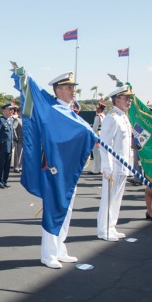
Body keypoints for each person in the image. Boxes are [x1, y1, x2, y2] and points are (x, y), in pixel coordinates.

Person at [39, 72, 81, 267]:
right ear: (58, 90)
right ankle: (48, 253)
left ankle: (59, 248)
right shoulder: (53, 111)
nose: (73, 90)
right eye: (69, 87)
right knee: (53, 210)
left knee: (66, 209)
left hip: (69, 169)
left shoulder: (70, 111)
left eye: (73, 87)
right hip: (55, 169)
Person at [97, 85, 134, 241]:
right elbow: (105, 145)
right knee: (108, 199)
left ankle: (111, 227)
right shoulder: (111, 117)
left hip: (123, 166)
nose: (129, 101)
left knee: (116, 200)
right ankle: (103, 230)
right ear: (117, 99)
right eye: (126, 98)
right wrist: (107, 166)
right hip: (113, 167)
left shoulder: (123, 117)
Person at [0, 103, 16, 188]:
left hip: (9, 146)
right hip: (2, 146)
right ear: (5, 110)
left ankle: (5, 181)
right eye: (10, 109)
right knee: (1, 165)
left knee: (7, 165)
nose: (12, 111)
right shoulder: (0, 120)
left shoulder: (11, 120)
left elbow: (11, 134)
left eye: (12, 110)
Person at [87, 101, 105, 175]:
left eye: (97, 108)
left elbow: (95, 128)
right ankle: (100, 168)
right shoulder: (104, 115)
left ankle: (96, 169)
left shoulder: (98, 116)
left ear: (99, 109)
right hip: (102, 135)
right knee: (100, 153)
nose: (96, 109)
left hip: (97, 135)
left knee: (96, 153)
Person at [12, 107, 23, 173]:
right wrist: (15, 137)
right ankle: (16, 167)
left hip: (24, 139)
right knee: (18, 154)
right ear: (19, 112)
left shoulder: (25, 120)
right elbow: (13, 128)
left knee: (23, 155)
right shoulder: (17, 119)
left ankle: (20, 166)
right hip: (19, 139)